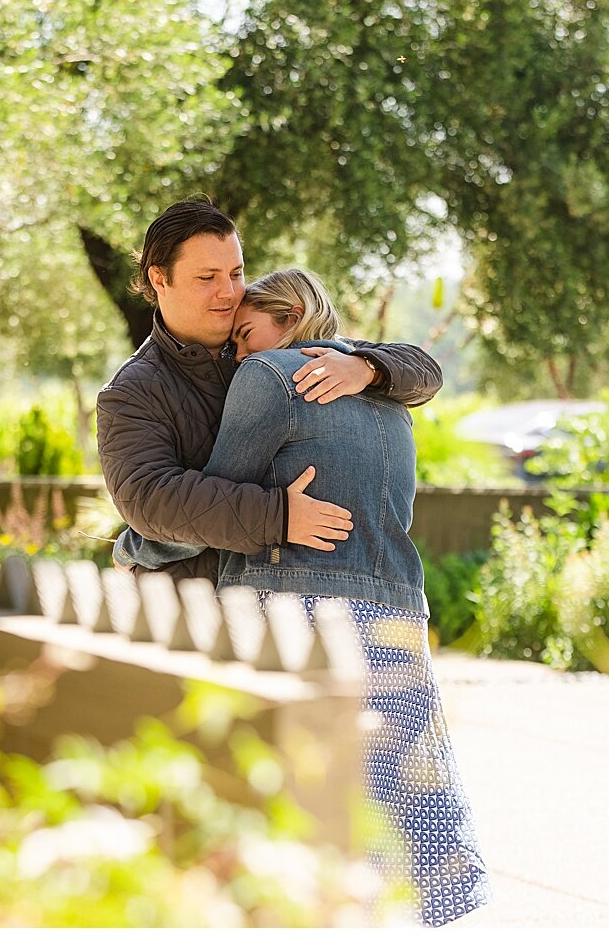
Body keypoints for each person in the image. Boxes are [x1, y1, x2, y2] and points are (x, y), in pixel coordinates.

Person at [113, 267, 493, 927]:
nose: (236, 352)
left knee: (298, 814)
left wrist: (132, 549)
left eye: (244, 334)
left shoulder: (270, 377)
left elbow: (211, 504)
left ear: (289, 318)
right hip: (395, 614)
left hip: (295, 611)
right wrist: (369, 364)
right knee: (403, 809)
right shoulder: (385, 391)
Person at [96, 197, 444, 587]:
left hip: (292, 597)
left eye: (236, 273)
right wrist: (277, 517)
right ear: (160, 279)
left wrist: (367, 367)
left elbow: (425, 371)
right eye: (207, 278)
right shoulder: (130, 392)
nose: (228, 292)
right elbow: (151, 499)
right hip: (191, 608)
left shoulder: (280, 345)